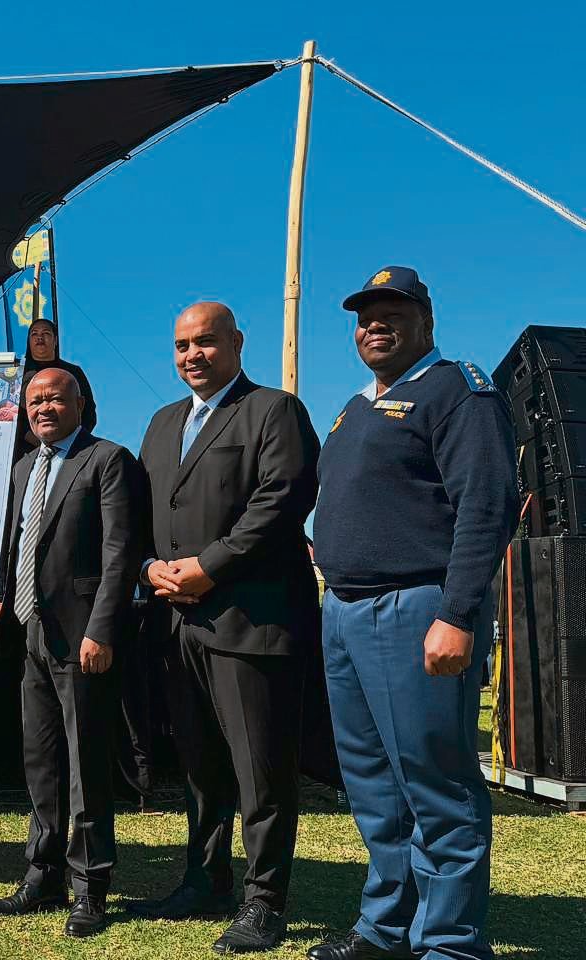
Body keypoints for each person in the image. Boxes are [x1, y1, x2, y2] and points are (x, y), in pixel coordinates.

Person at [309, 267, 518, 960]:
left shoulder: (457, 390)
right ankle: (387, 927)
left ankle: (450, 943)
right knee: (374, 788)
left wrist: (457, 614)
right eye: (365, 316)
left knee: (436, 784)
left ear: (426, 320)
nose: (375, 324)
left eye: (392, 312)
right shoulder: (355, 407)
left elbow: (486, 505)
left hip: (416, 609)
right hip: (344, 612)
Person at [130, 302, 320, 954]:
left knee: (260, 773)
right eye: (182, 344)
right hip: (177, 626)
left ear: (237, 342)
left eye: (206, 341)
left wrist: (209, 567)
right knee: (200, 767)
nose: (192, 355)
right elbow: (139, 512)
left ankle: (264, 902)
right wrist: (149, 567)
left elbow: (283, 499)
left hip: (251, 622)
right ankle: (204, 881)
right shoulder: (162, 423)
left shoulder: (273, 410)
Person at [0, 367, 141, 939]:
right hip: (30, 633)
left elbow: (121, 552)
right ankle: (43, 873)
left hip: (83, 639)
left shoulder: (107, 460)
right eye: (34, 401)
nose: (43, 408)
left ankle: (90, 886)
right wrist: (3, 599)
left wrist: (102, 629)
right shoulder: (24, 467)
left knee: (85, 765)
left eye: (53, 398)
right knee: (42, 760)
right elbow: (15, 545)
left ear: (80, 403)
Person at [16, 318, 97, 457]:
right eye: (34, 334)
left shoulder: (73, 372)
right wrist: (38, 442)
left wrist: (69, 442)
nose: (40, 337)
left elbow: (88, 414)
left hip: (69, 453)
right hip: (25, 453)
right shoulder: (17, 374)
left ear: (55, 340)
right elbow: (14, 417)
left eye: (46, 333)